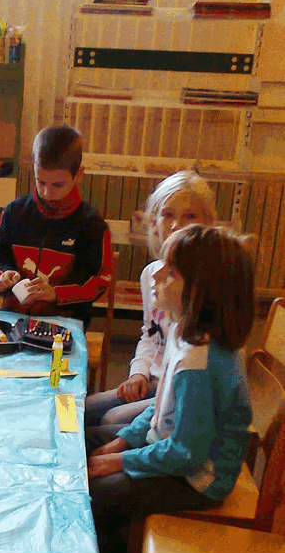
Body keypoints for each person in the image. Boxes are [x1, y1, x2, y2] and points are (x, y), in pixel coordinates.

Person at [86, 224, 254, 553]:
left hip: (197, 479)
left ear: (202, 290)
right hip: (171, 450)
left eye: (172, 271)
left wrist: (119, 461)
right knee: (84, 441)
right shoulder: (182, 331)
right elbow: (161, 406)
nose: (157, 275)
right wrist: (123, 441)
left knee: (96, 495)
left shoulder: (201, 362)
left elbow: (186, 454)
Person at [85, 170, 217, 426]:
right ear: (154, 221)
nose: (176, 226)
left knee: (110, 420)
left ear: (207, 222)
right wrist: (139, 373)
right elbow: (151, 334)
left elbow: (199, 367)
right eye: (168, 215)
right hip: (154, 378)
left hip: (182, 389)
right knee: (85, 409)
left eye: (190, 216)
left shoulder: (207, 283)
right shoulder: (151, 275)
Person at [0, 124, 113, 326]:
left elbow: (99, 281)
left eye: (57, 185)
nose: (46, 192)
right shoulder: (14, 212)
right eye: (40, 181)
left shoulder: (91, 224)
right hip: (13, 314)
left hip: (65, 320)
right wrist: (3, 275)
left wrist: (56, 294)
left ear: (78, 175)